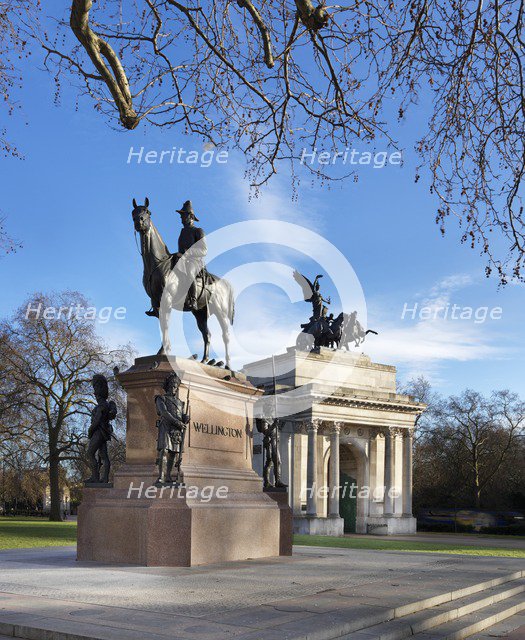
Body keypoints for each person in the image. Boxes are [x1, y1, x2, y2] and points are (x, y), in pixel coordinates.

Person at [155, 372, 189, 485]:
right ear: (167, 386)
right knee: (164, 450)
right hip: (166, 426)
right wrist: (177, 422)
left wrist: (185, 418)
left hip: (176, 429)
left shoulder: (180, 402)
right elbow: (164, 413)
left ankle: (168, 476)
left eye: (175, 386)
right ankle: (161, 476)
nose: (173, 388)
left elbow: (181, 414)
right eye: (171, 385)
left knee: (173, 453)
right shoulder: (161, 399)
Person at [85, 375, 117, 484]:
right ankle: (105, 478)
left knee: (90, 453)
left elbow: (96, 422)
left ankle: (95, 477)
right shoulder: (107, 405)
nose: (95, 395)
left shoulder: (101, 406)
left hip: (98, 432)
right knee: (104, 456)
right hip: (103, 433)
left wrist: (90, 431)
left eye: (96, 393)